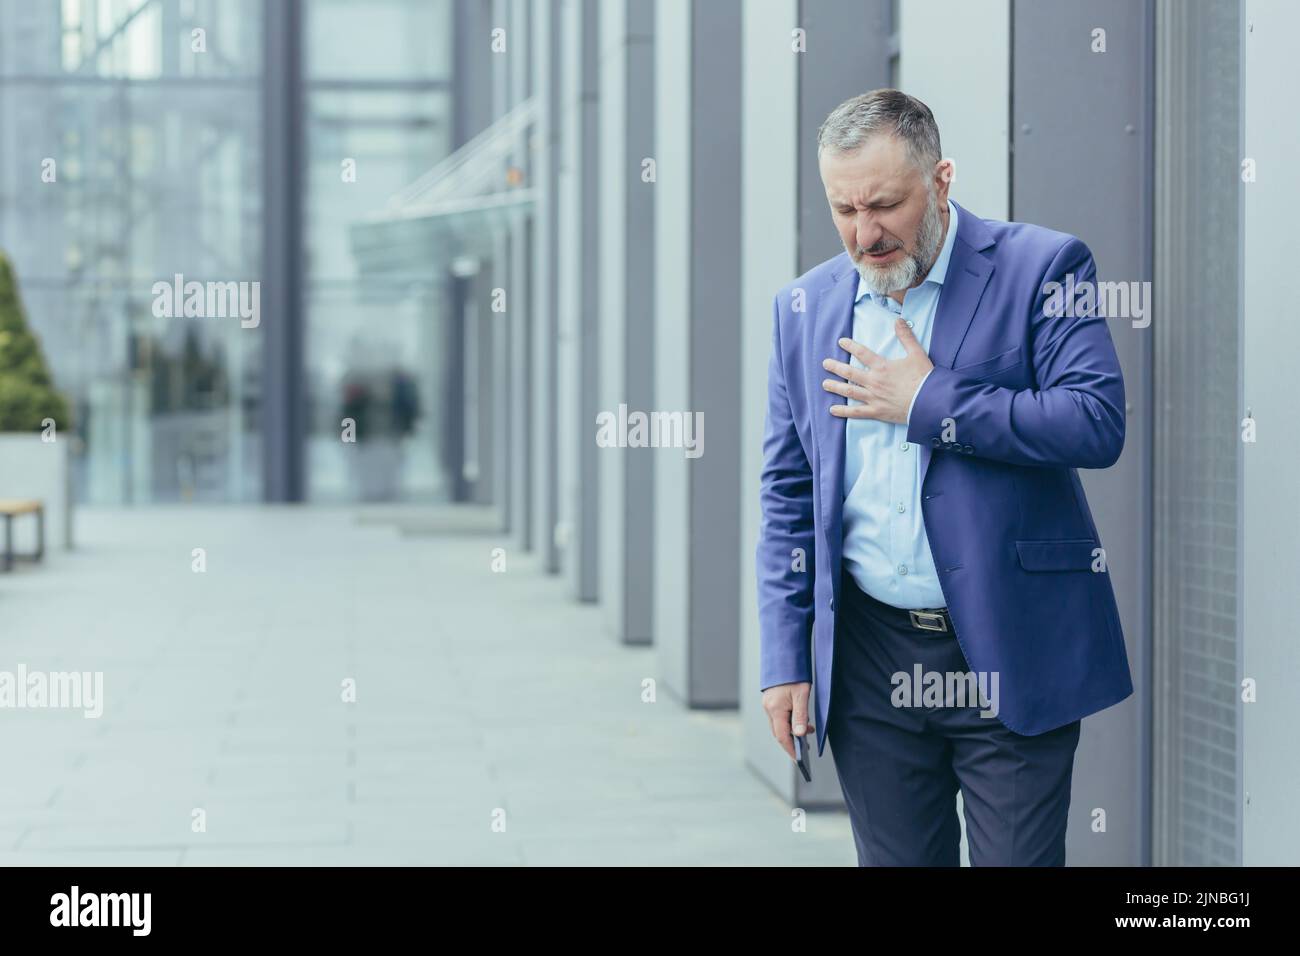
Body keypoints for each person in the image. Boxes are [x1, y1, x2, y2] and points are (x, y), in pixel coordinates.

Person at [756, 89, 1133, 866]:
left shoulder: (1043, 266)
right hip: (868, 662)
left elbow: (1094, 421)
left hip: (1009, 647)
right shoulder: (802, 308)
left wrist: (930, 400)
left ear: (941, 181)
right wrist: (786, 658)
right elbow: (789, 492)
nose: (866, 233)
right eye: (844, 209)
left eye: (885, 205)